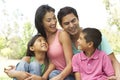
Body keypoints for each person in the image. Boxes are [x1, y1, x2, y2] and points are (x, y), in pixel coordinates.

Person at [57, 6, 120, 79]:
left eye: (73, 20)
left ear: (78, 19)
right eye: (66, 23)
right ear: (62, 26)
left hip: (100, 76)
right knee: (55, 74)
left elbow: (113, 60)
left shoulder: (94, 36)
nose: (71, 25)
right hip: (79, 76)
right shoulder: (65, 42)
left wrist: (118, 78)